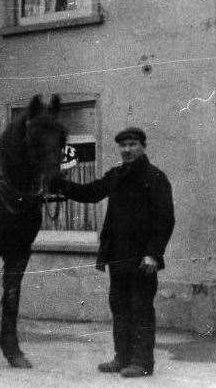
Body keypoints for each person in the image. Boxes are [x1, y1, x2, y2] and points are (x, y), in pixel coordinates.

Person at [51, 127, 174, 378]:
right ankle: (123, 357)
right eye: (123, 145)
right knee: (119, 307)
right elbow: (91, 193)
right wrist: (59, 184)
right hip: (117, 256)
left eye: (132, 144)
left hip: (142, 259)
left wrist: (153, 253)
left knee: (140, 308)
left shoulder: (155, 177)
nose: (127, 149)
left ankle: (142, 362)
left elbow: (165, 219)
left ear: (143, 146)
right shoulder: (116, 175)